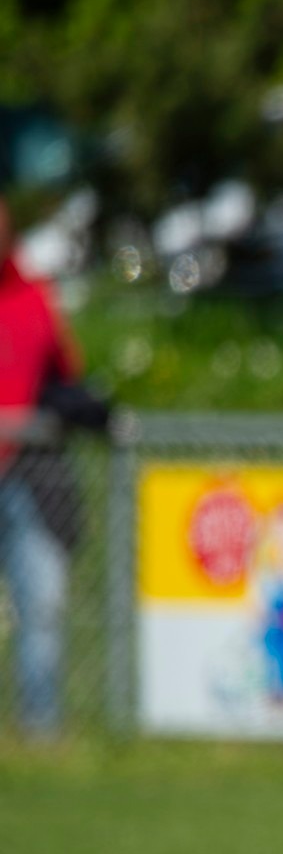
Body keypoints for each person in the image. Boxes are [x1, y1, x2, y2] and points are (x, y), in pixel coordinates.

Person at [0, 196, 82, 739]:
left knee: (42, 607)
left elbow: (67, 377)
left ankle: (41, 733)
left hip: (26, 473)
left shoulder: (34, 298)